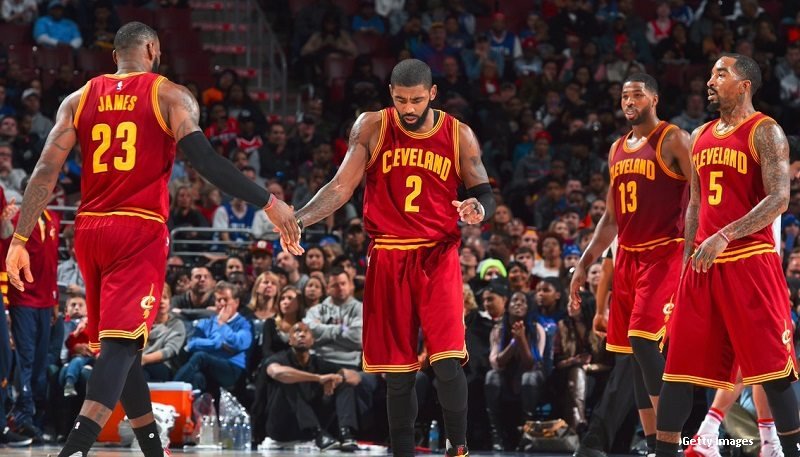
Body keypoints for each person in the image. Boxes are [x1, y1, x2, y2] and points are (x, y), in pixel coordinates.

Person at [5, 22, 297, 457]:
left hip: (89, 230)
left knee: (122, 349)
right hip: (137, 228)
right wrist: (268, 202)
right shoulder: (169, 94)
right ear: (153, 49)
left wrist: (19, 240)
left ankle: (153, 450)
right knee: (120, 347)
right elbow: (204, 161)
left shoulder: (78, 98)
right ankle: (75, 450)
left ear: (115, 56)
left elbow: (45, 171)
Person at [280, 58, 496, 457]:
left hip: (437, 254)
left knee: (447, 361)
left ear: (432, 94)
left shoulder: (458, 134)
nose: (409, 109)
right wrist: (299, 219)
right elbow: (341, 186)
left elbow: (484, 192)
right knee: (398, 373)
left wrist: (478, 209)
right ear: (391, 95)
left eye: (417, 100)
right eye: (401, 100)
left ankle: (458, 447)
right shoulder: (372, 126)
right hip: (389, 254)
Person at [656, 53, 800, 457]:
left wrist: (725, 234)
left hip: (750, 261)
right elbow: (695, 204)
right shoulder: (699, 134)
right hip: (702, 267)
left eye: (721, 74)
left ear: (744, 85)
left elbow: (779, 198)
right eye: (711, 74)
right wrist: (686, 261)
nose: (710, 81)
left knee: (773, 372)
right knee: (677, 372)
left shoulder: (765, 131)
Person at [569, 73, 692, 457]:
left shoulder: (673, 138)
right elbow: (610, 219)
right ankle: (655, 444)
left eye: (636, 95)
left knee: (642, 340)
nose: (629, 102)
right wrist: (584, 262)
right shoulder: (616, 149)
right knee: (632, 356)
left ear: (653, 98)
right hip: (627, 256)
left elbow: (700, 195)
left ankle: (671, 441)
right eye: (624, 96)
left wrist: (694, 248)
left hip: (665, 253)